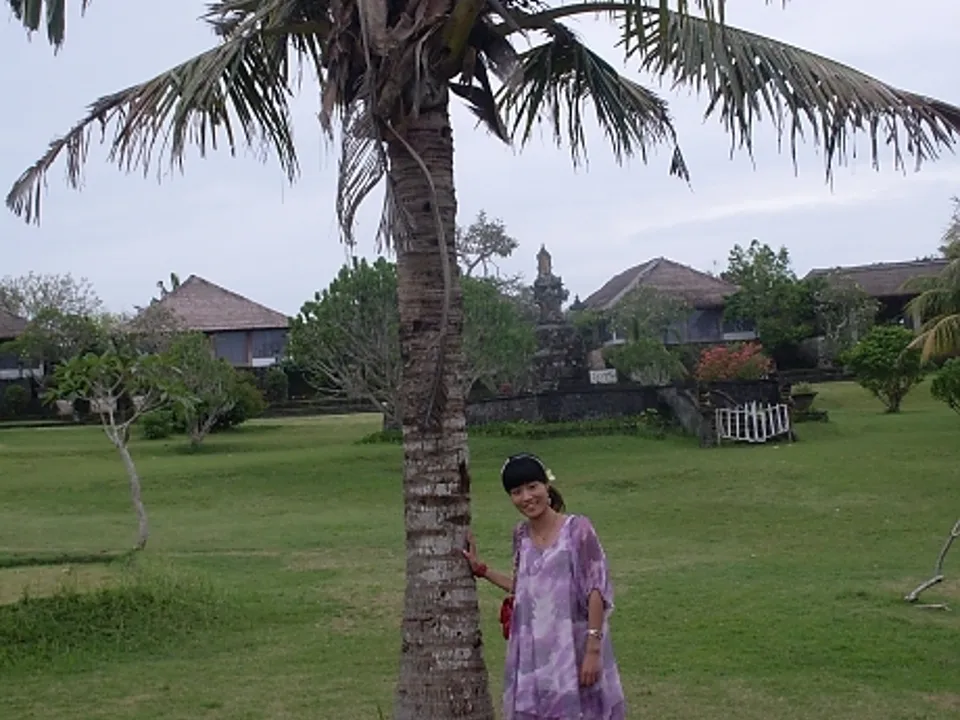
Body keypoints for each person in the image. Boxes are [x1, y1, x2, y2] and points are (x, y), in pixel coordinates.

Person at [463, 453, 626, 720]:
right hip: (535, 654)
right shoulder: (520, 535)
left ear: (546, 486)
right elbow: (524, 588)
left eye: (532, 487)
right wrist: (481, 570)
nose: (526, 497)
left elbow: (595, 589)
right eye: (517, 492)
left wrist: (593, 649)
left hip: (575, 645)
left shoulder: (577, 529)